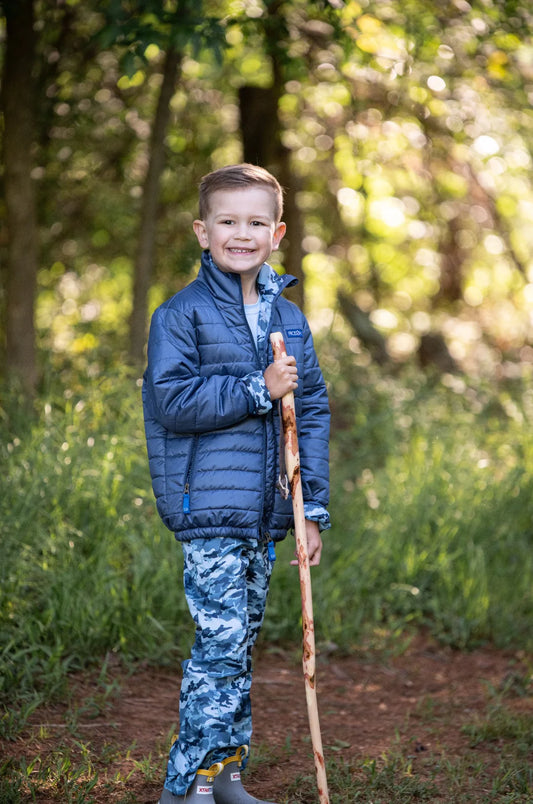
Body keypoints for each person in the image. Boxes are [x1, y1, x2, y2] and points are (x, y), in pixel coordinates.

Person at [142, 163, 330, 804]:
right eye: (227, 221)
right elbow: (171, 400)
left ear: (277, 234)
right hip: (210, 506)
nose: (241, 233)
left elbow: (309, 415)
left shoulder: (290, 319)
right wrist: (257, 388)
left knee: (241, 647)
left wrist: (314, 509)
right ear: (202, 231)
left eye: (256, 222)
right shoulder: (181, 316)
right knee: (218, 649)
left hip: (266, 509)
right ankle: (185, 786)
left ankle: (225, 776)